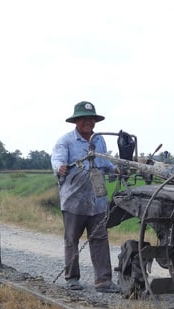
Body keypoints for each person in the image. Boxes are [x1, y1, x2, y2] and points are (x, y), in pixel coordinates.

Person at [51, 101, 120, 293]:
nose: (88, 122)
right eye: (84, 119)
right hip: (74, 199)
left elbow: (104, 163)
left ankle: (103, 281)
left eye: (91, 119)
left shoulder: (99, 140)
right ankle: (72, 278)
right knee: (72, 239)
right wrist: (60, 167)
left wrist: (115, 169)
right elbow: (56, 159)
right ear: (76, 121)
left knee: (99, 238)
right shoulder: (65, 141)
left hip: (97, 201)